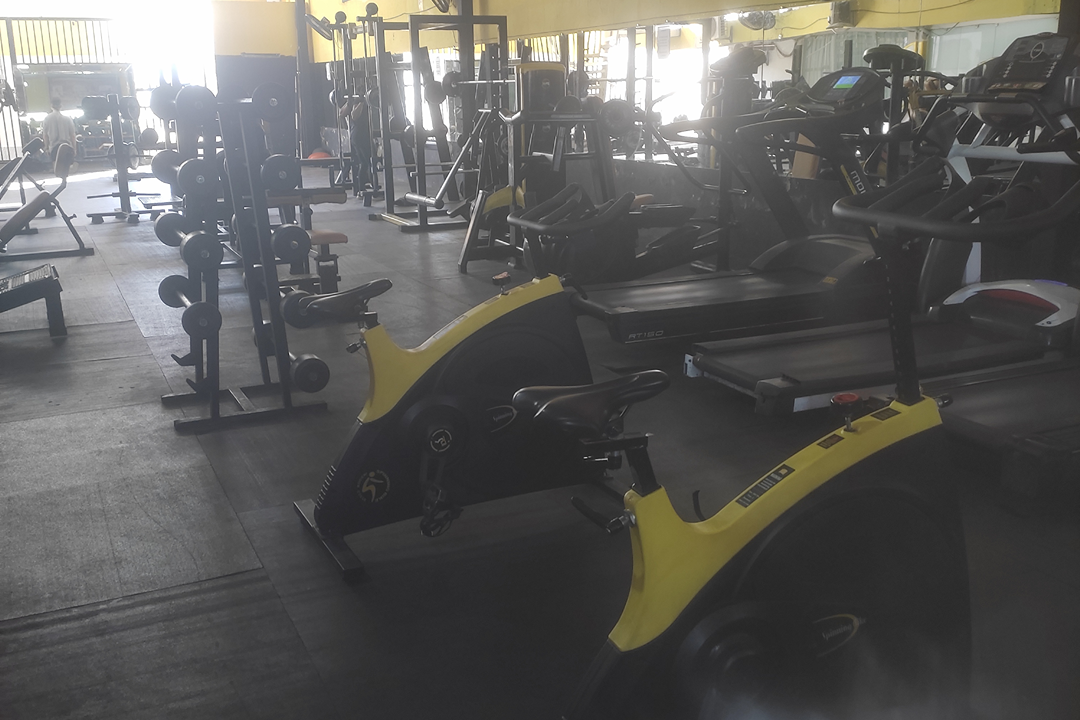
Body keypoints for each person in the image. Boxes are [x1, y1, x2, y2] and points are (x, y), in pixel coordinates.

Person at [341, 96, 372, 196]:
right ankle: (362, 188)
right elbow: (351, 115)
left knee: (366, 162)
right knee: (366, 162)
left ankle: (364, 186)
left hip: (361, 136)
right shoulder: (357, 103)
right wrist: (361, 102)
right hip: (359, 136)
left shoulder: (361, 102)